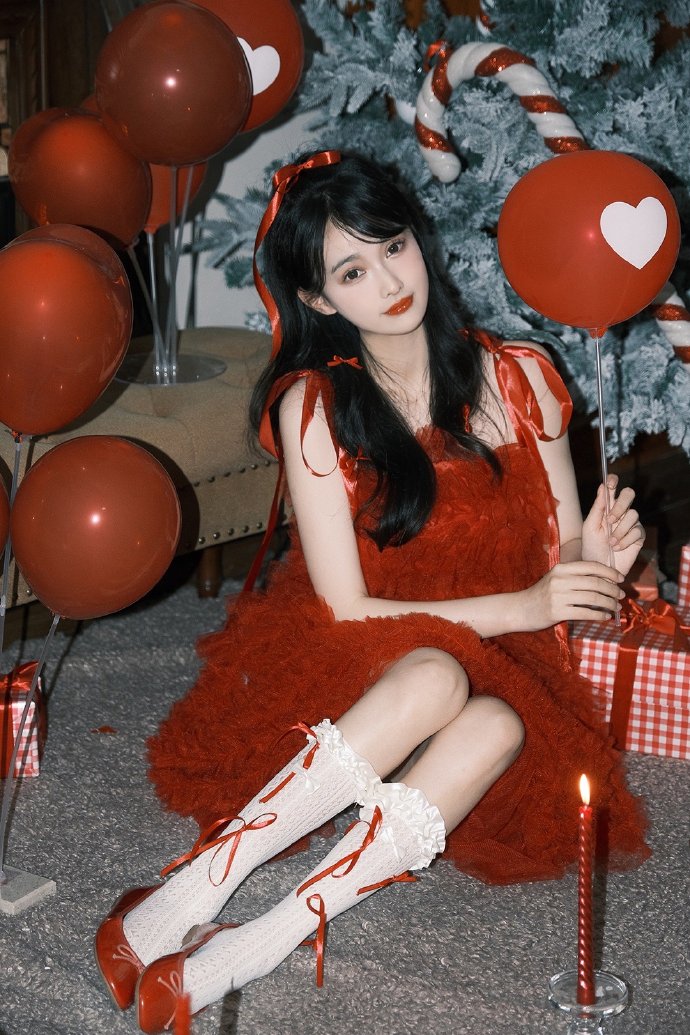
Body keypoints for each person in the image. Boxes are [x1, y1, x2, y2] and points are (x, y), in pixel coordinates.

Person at [95, 150, 649, 1032]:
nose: (389, 282)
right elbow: (347, 609)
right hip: (366, 654)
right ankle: (187, 895)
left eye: (392, 247)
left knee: (501, 724)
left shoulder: (519, 374)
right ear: (318, 300)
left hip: (507, 651)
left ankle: (256, 943)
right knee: (434, 673)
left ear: (418, 239)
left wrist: (596, 556)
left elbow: (562, 538)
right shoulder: (314, 404)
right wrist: (529, 604)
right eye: (351, 271)